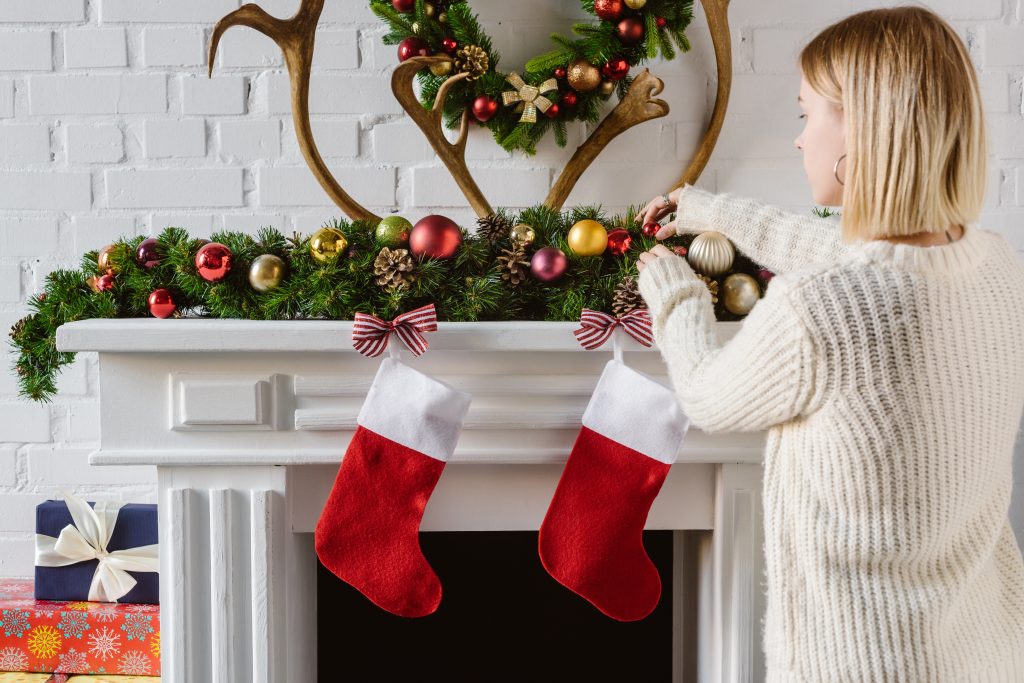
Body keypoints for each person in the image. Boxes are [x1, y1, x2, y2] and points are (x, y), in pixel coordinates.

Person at [633, 6, 1024, 682]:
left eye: (806, 113)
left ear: (863, 130)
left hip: (859, 665)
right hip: (983, 653)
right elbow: (849, 254)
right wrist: (710, 209)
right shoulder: (995, 265)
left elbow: (705, 393)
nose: (797, 140)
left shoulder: (821, 311)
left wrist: (676, 293)